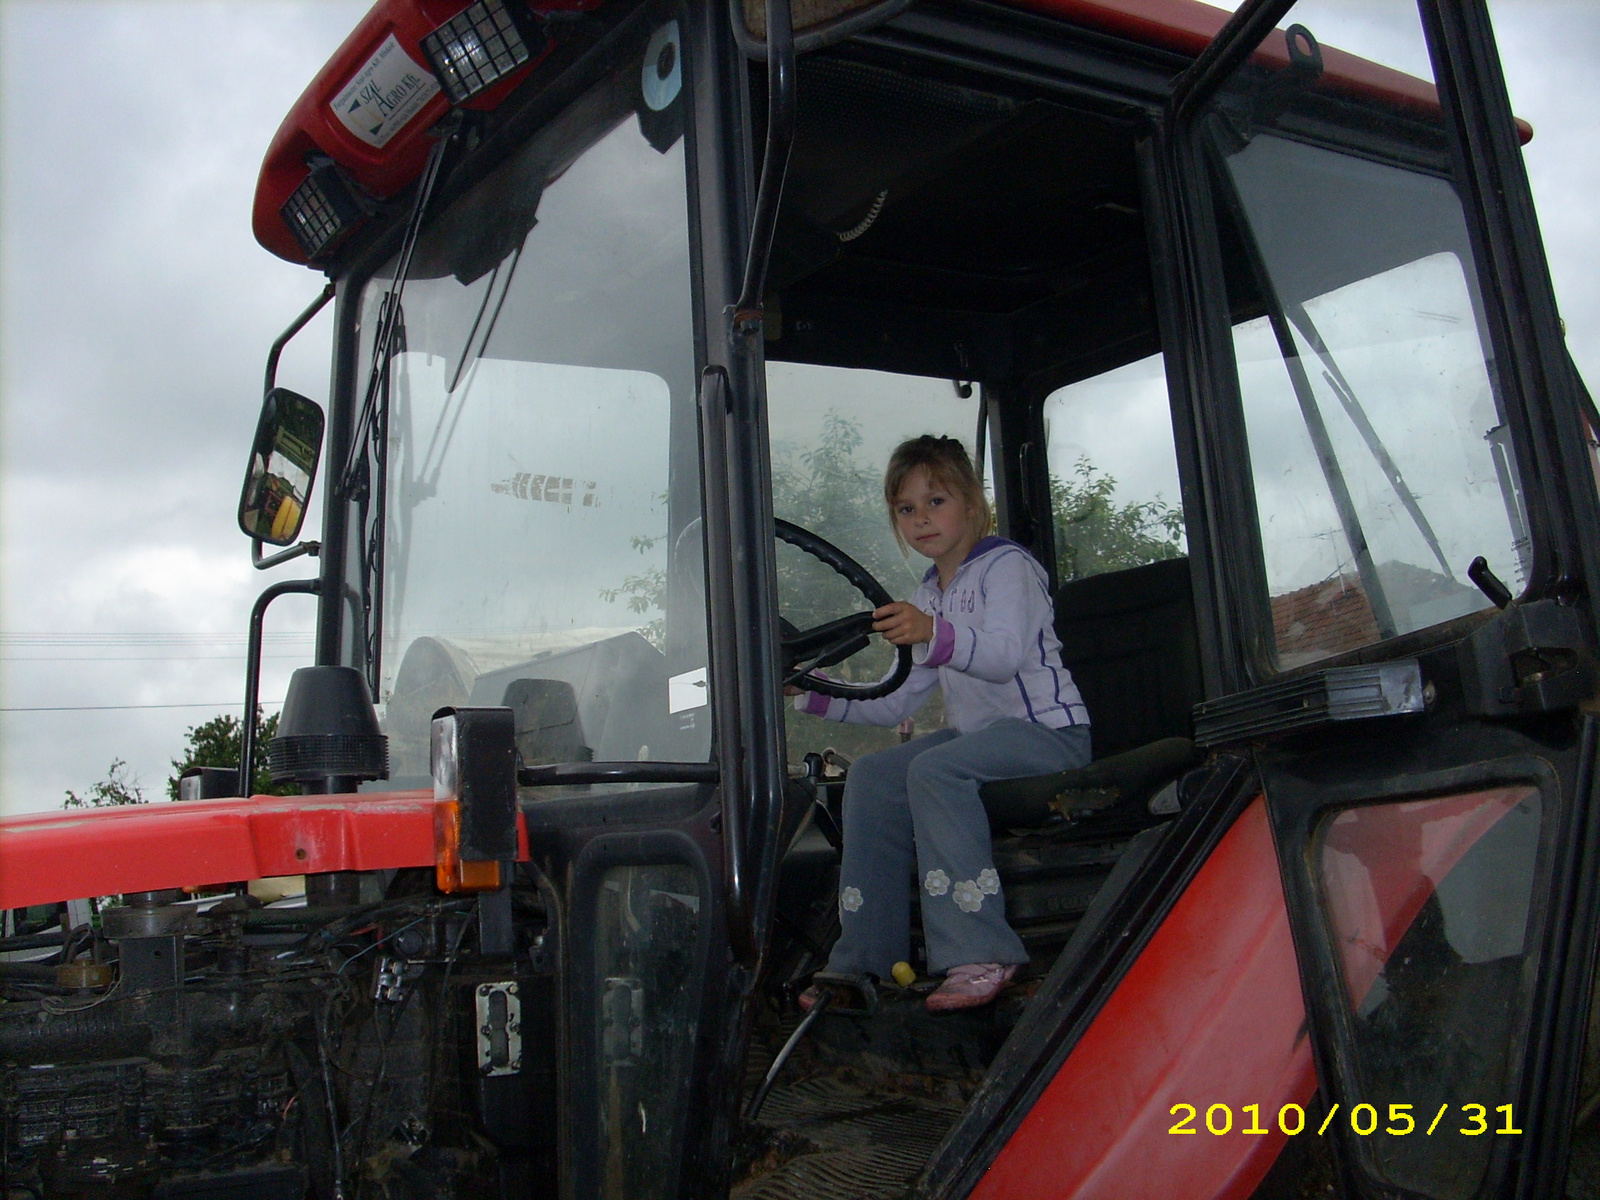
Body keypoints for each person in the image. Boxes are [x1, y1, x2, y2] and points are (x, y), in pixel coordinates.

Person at [792, 434, 1091, 1013]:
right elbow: (894, 703)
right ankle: (863, 960)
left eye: (936, 501)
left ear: (972, 503)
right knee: (874, 776)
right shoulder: (928, 594)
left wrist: (932, 633)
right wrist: (810, 690)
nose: (921, 519)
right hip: (980, 742)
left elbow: (1003, 656)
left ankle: (981, 951)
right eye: (906, 509)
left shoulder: (1008, 567)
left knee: (935, 770)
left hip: (1047, 734)